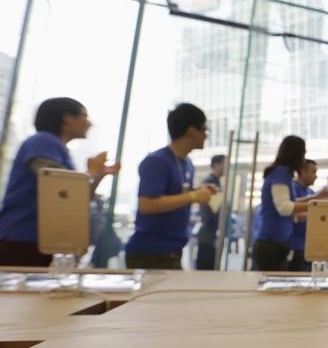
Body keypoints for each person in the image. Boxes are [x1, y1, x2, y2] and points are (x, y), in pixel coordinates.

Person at [0, 97, 120, 266]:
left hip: (38, 240)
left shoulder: (57, 148)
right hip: (24, 238)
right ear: (67, 118)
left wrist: (99, 175)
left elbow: (73, 198)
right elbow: (58, 183)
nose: (89, 123)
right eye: (84, 116)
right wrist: (91, 172)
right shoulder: (42, 140)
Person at [125, 103, 216, 270]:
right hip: (150, 254)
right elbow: (147, 205)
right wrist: (193, 196)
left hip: (172, 250)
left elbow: (177, 196)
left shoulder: (187, 163)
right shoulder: (157, 161)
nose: (206, 135)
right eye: (204, 130)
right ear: (191, 131)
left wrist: (199, 192)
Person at [252, 136, 328, 271]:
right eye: (303, 153)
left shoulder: (284, 174)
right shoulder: (280, 173)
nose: (303, 158)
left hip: (277, 242)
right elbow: (284, 207)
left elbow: (291, 202)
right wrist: (317, 205)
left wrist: (316, 198)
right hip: (270, 244)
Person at [288, 158, 319, 272]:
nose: (316, 176)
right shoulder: (292, 189)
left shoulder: (312, 193)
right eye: (313, 172)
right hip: (293, 246)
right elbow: (292, 211)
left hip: (309, 247)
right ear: (302, 172)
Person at [196, 154, 225, 270]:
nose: (226, 167)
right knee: (206, 268)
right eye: (224, 163)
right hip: (208, 231)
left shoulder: (215, 181)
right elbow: (213, 209)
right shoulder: (210, 182)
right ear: (216, 165)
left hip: (211, 231)